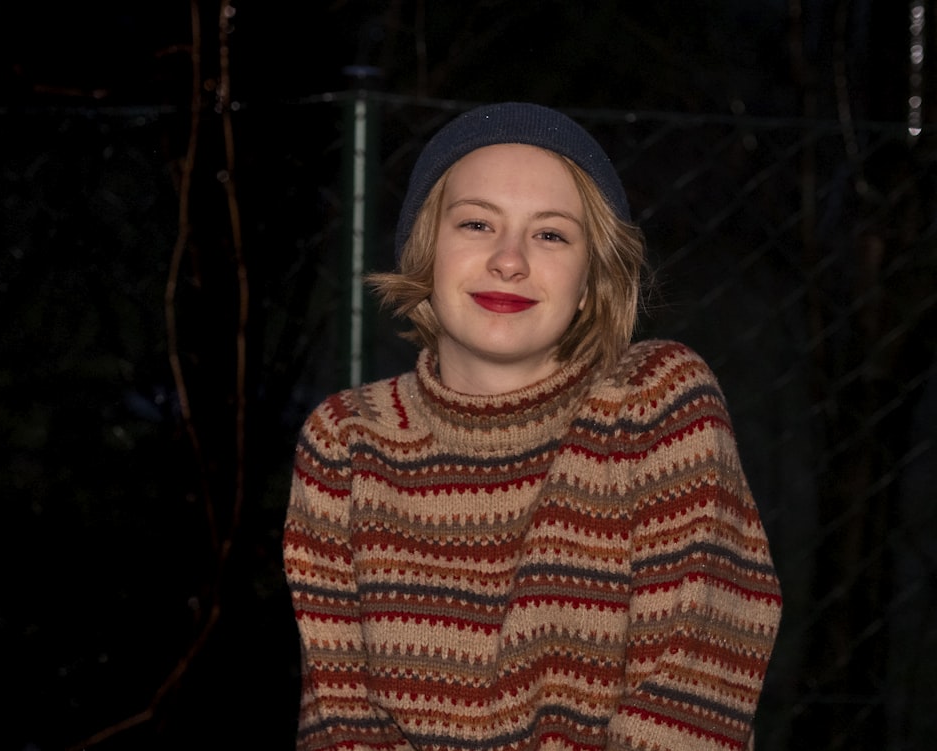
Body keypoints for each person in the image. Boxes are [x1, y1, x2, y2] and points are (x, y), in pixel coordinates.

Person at [283, 101, 782, 751]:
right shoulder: (345, 442)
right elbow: (340, 722)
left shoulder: (656, 404)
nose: (509, 260)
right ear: (426, 252)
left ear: (588, 283)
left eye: (550, 234)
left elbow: (693, 690)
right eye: (477, 223)